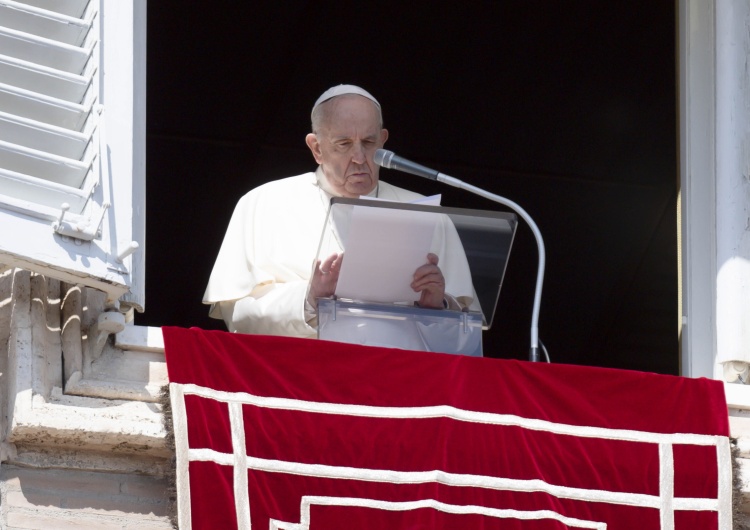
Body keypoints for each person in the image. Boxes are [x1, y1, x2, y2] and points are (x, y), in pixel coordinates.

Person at [203, 85, 475, 338]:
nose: (359, 157)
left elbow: (468, 331)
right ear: (317, 148)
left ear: (383, 140)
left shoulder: (425, 213)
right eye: (343, 144)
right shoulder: (264, 203)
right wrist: (309, 299)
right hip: (302, 376)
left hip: (398, 376)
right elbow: (237, 315)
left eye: (368, 143)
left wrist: (437, 306)